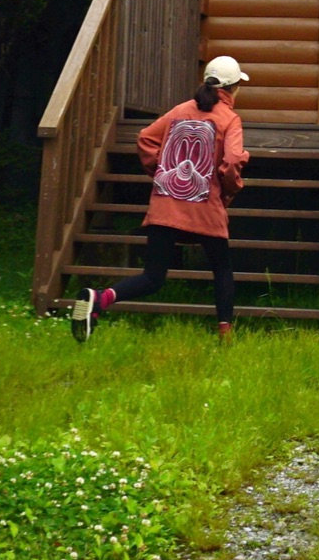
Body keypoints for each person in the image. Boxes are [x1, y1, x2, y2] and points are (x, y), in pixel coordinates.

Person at [72, 53, 250, 344]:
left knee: (153, 277)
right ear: (232, 89)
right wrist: (231, 188)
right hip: (204, 208)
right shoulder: (230, 119)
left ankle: (100, 298)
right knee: (222, 267)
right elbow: (230, 163)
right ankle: (225, 335)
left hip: (166, 204)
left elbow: (145, 138)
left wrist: (162, 173)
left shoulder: (179, 110)